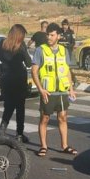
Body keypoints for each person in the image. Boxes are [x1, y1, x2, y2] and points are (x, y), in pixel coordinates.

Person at [31, 22, 78, 158]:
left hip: (62, 91)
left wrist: (71, 89)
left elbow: (67, 71)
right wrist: (40, 89)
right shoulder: (41, 50)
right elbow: (34, 71)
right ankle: (43, 146)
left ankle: (64, 146)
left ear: (58, 36)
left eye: (52, 35)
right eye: (48, 35)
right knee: (44, 118)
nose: (49, 37)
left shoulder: (63, 50)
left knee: (63, 117)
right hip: (48, 91)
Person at [0, 24, 33, 143]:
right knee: (20, 108)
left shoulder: (2, 43)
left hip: (5, 80)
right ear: (19, 35)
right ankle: (19, 134)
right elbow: (29, 62)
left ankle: (2, 129)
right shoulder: (21, 45)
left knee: (8, 106)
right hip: (19, 79)